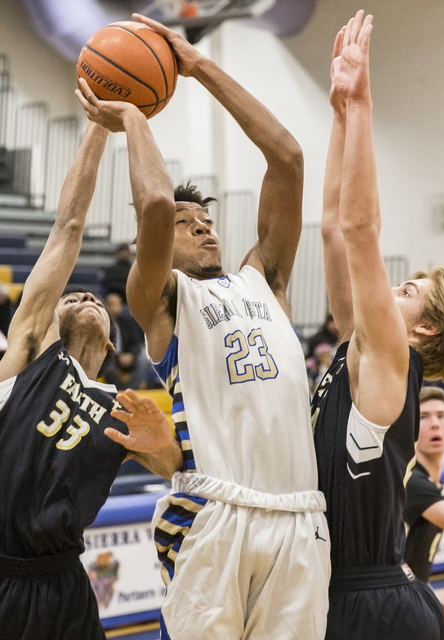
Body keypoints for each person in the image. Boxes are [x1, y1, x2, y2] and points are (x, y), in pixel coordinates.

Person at [76, 13, 330, 640]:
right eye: (190, 224)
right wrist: (133, 116)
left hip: (299, 515)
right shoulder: (160, 298)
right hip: (214, 513)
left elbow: (289, 157)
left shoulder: (262, 279)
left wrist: (200, 67)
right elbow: (157, 204)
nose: (204, 227)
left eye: (208, 220)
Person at [0, 121, 183, 640]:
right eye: (70, 297)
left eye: (93, 299)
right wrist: (99, 130)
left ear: (111, 346)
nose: (83, 298)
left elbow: (175, 471)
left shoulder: (118, 403)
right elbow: (68, 227)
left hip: (63, 584)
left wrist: (161, 443)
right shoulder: (28, 354)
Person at [311, 11, 444, 640]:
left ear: (424, 333)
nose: (390, 289)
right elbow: (332, 227)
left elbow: (362, 231)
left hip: (372, 602)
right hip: (339, 589)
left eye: (407, 291)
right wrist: (340, 114)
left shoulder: (393, 361)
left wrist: (365, 102)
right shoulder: (358, 348)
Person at [404, 386, 444, 628]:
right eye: (423, 417)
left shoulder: (439, 490)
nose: (434, 424)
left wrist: (430, 598)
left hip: (408, 599)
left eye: (441, 416)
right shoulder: (410, 481)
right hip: (390, 607)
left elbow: (413, 568)